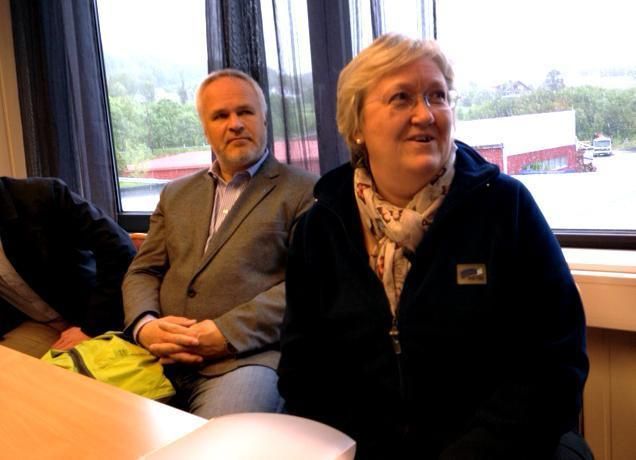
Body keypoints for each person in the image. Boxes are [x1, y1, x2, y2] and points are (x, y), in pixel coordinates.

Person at [278, 34, 590, 459]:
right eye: (401, 98)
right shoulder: (320, 230)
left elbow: (555, 363)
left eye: (437, 97)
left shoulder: (506, 208)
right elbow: (303, 373)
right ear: (356, 125)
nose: (425, 114)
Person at [123, 69, 317, 418]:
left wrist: (225, 332)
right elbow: (143, 271)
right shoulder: (175, 194)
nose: (235, 124)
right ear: (205, 128)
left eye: (245, 112)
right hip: (159, 354)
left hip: (247, 358)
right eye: (220, 116)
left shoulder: (306, 191)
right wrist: (145, 326)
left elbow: (309, 284)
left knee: (224, 443)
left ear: (263, 118)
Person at [0, 176, 136, 358]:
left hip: (96, 315)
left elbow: (120, 250)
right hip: (32, 323)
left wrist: (92, 326)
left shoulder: (41, 194)